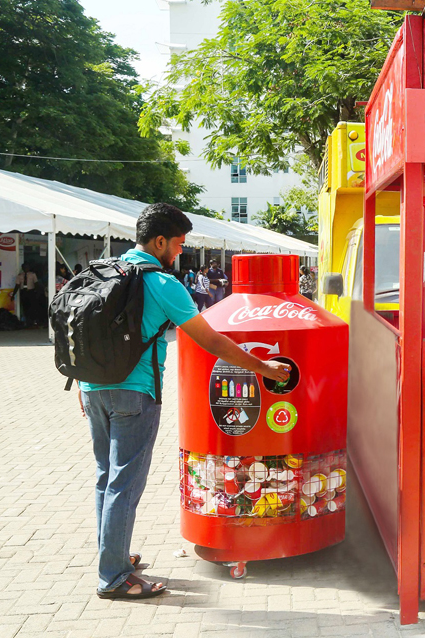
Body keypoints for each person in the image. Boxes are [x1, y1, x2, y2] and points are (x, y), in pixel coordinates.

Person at [78, 203, 291, 600]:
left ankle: (115, 555)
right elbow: (210, 339)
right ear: (159, 241)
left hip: (92, 389)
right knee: (125, 482)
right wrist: (263, 367)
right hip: (135, 391)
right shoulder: (161, 284)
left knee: (106, 477)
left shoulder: (106, 270)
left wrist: (82, 382)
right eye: (177, 244)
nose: (179, 253)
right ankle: (114, 576)